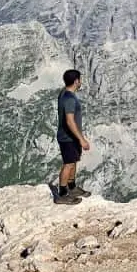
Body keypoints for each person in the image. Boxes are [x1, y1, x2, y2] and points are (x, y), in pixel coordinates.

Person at [55, 69, 92, 204]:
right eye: (80, 79)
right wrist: (81, 139)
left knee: (73, 162)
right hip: (68, 138)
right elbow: (70, 121)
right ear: (76, 81)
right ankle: (62, 195)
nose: (80, 82)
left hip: (71, 137)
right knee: (68, 164)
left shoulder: (64, 93)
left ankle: (72, 187)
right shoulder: (69, 98)